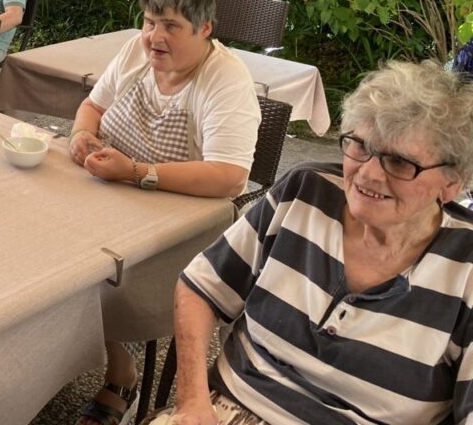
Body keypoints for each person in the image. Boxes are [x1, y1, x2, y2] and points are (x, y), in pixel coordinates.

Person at [157, 60, 473, 425]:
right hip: (225, 409)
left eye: (400, 163)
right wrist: (192, 401)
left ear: (452, 182)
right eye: (360, 146)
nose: (368, 174)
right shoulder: (305, 192)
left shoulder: (465, 268)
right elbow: (201, 287)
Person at [68, 0, 260, 425]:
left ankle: (120, 374)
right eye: (150, 22)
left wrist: (136, 173)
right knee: (42, 242)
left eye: (171, 26)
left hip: (183, 229)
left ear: (205, 28)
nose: (155, 37)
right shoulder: (136, 52)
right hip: (113, 195)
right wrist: (80, 135)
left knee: (79, 269)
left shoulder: (225, 78)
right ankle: (58, 359)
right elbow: (93, 105)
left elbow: (229, 176)